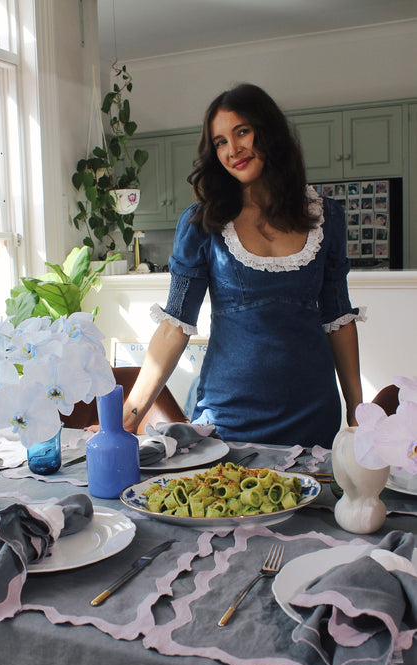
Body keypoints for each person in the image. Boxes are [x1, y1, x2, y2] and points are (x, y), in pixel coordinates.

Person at [123, 83, 364, 449]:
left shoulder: (327, 217)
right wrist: (127, 419)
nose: (232, 150)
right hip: (230, 417)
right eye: (220, 141)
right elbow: (175, 327)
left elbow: (339, 321)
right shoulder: (202, 224)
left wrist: (357, 410)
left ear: (268, 132)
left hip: (313, 414)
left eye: (241, 132)